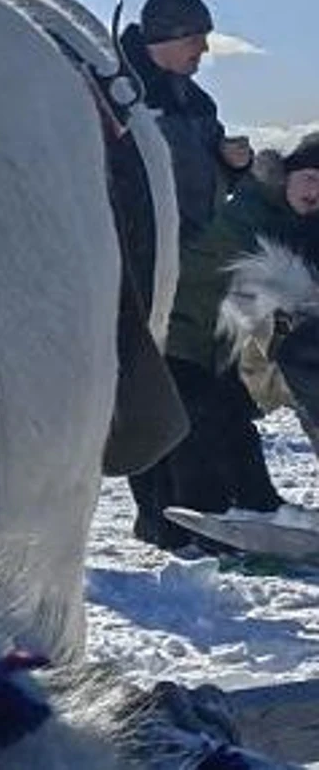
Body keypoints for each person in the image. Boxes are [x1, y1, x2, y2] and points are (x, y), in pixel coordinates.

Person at [130, 136, 319, 551]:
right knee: (194, 423)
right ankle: (194, 523)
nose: (315, 191)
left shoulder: (295, 218)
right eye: (310, 177)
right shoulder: (254, 213)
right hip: (175, 329)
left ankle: (257, 509)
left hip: (218, 340)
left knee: (231, 424)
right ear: (287, 175)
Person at [119, 0, 254, 243]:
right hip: (131, 249)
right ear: (164, 39)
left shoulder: (199, 103)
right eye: (194, 39)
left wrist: (234, 162)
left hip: (193, 248)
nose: (204, 48)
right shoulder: (113, 90)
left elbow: (219, 179)